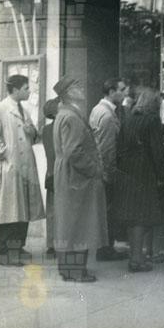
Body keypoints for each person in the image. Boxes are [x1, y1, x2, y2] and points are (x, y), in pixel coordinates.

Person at [0, 74, 45, 266]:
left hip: (25, 166)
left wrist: (32, 132)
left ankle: (17, 247)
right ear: (16, 90)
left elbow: (34, 136)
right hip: (10, 167)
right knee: (10, 211)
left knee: (23, 209)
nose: (29, 91)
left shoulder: (24, 110)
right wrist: (6, 155)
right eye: (26, 88)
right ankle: (4, 253)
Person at [53, 76, 108, 282]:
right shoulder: (72, 116)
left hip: (68, 173)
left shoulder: (64, 113)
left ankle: (67, 269)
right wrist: (94, 170)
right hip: (77, 177)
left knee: (69, 223)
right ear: (68, 93)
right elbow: (74, 151)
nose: (81, 89)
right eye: (76, 87)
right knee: (79, 224)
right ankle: (76, 271)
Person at [113, 88, 164, 272]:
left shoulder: (128, 118)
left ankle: (135, 256)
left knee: (132, 216)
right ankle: (137, 259)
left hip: (127, 171)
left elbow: (119, 146)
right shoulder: (152, 120)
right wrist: (161, 175)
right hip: (144, 171)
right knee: (141, 217)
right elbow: (156, 150)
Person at [89, 77, 129, 261]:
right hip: (106, 171)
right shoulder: (107, 115)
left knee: (104, 211)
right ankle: (106, 248)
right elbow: (107, 149)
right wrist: (110, 174)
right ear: (112, 92)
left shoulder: (98, 109)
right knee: (108, 211)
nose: (125, 92)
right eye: (122, 89)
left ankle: (104, 247)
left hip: (100, 170)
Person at [41, 97, 59, 258]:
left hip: (50, 173)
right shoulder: (61, 128)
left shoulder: (46, 130)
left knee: (52, 210)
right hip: (60, 173)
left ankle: (51, 244)